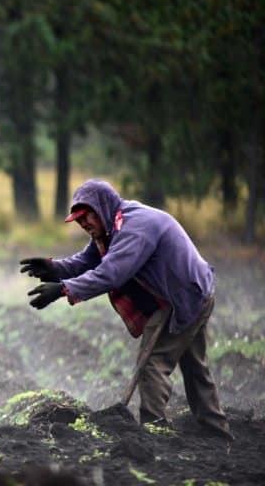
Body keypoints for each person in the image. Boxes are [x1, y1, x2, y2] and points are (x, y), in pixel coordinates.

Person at [19, 178, 232, 440]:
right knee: (194, 366)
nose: (83, 224)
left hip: (181, 298)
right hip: (192, 292)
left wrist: (63, 289)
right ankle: (217, 432)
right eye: (78, 220)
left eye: (86, 217)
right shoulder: (112, 223)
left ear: (101, 208)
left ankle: (155, 434)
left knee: (152, 364)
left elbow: (111, 273)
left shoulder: (134, 228)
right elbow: (89, 260)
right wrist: (55, 269)